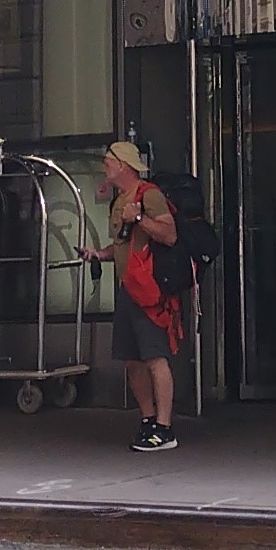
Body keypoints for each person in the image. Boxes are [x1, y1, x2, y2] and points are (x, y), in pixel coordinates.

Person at [86, 139, 184, 455]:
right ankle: (148, 419)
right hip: (128, 287)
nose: (104, 166)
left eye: (108, 161)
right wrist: (100, 255)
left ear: (123, 165)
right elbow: (123, 245)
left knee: (155, 356)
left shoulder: (149, 195)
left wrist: (139, 218)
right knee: (132, 359)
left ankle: (165, 428)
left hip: (150, 289)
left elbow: (169, 235)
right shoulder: (120, 201)